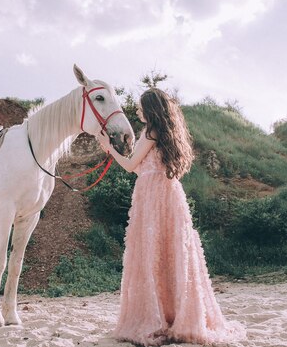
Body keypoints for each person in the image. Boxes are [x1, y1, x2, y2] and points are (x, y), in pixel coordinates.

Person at [97, 88, 245, 346]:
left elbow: (131, 166)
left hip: (153, 197)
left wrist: (109, 148)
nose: (137, 110)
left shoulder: (150, 132)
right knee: (172, 251)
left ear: (151, 109)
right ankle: (174, 313)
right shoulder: (165, 134)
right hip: (167, 194)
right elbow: (144, 169)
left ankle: (159, 315)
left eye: (141, 107)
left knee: (153, 253)